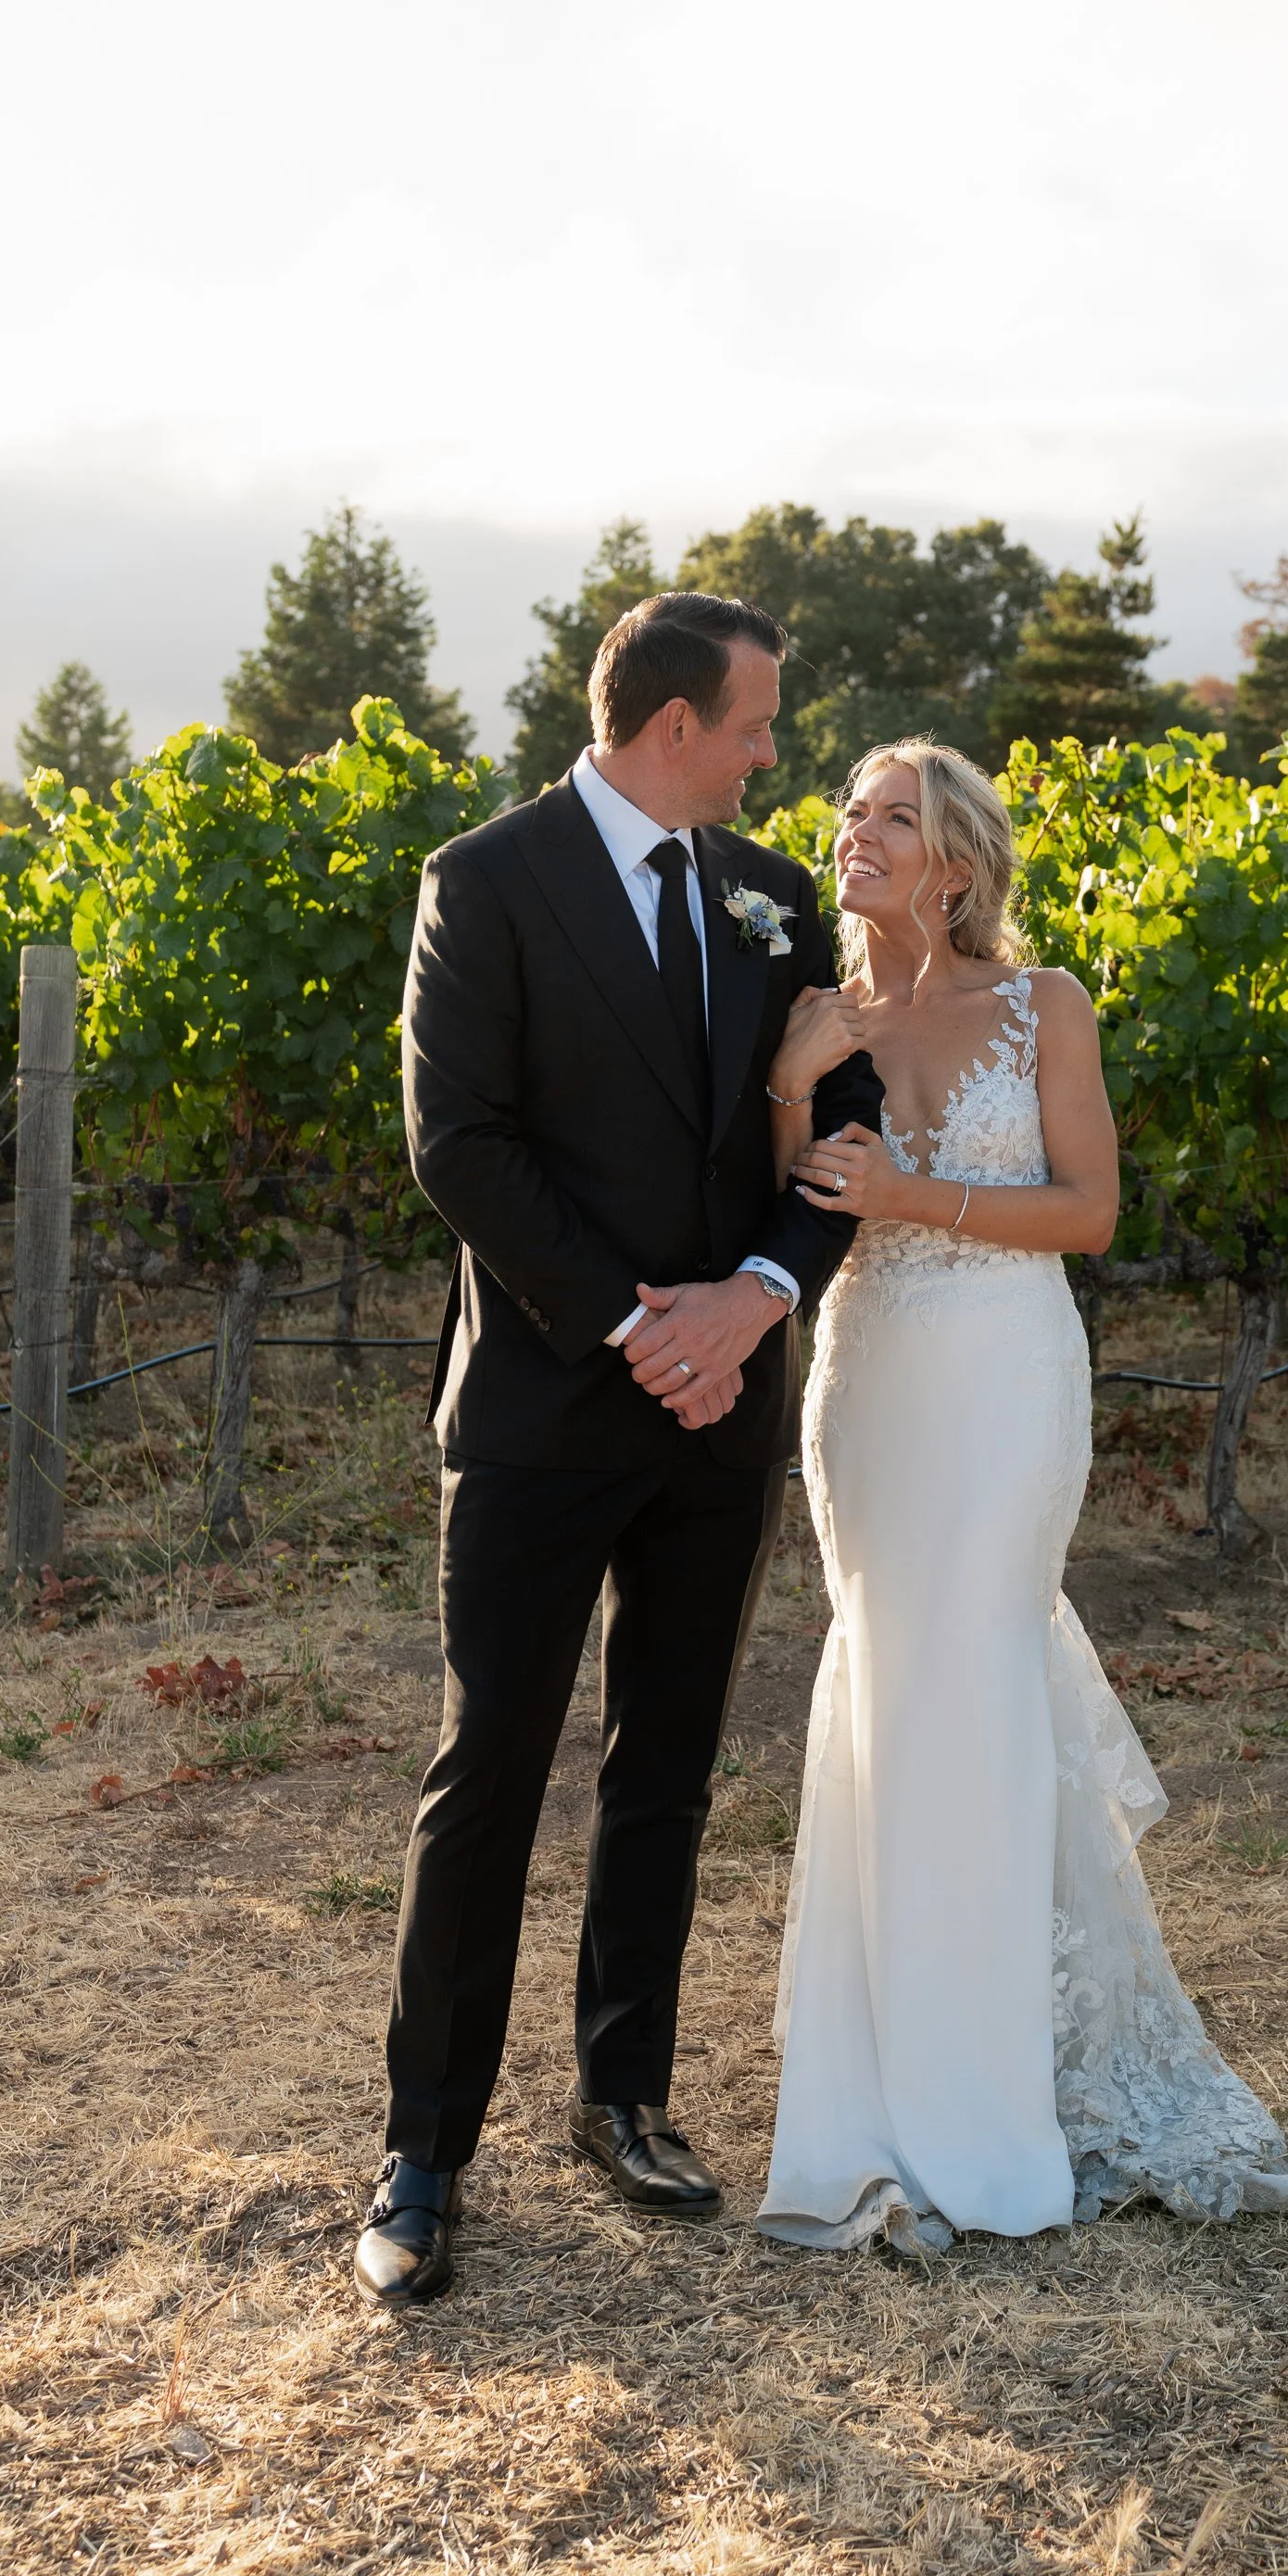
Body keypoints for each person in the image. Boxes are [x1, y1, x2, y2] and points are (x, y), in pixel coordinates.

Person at [355, 592, 882, 2306]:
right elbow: (461, 1143)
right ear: (673, 726)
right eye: (757, 726)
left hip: (719, 1414)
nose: (772, 753)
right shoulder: (485, 881)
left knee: (666, 1764)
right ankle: (424, 2153)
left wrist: (750, 1296)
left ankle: (623, 2096)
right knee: (489, 1765)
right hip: (539, 1410)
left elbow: (844, 1140)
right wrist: (636, 1324)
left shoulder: (775, 898)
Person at [753, 741, 1288, 2250]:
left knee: (979, 1680)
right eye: (851, 814)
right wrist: (789, 1091)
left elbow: (1090, 1211)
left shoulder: (1042, 1005)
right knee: (883, 1686)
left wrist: (910, 1196)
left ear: (955, 863)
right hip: (868, 1380)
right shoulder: (813, 1014)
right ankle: (875, 2097)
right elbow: (786, 1208)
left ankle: (993, 2107)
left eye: (892, 817)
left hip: (1008, 1381)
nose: (855, 834)